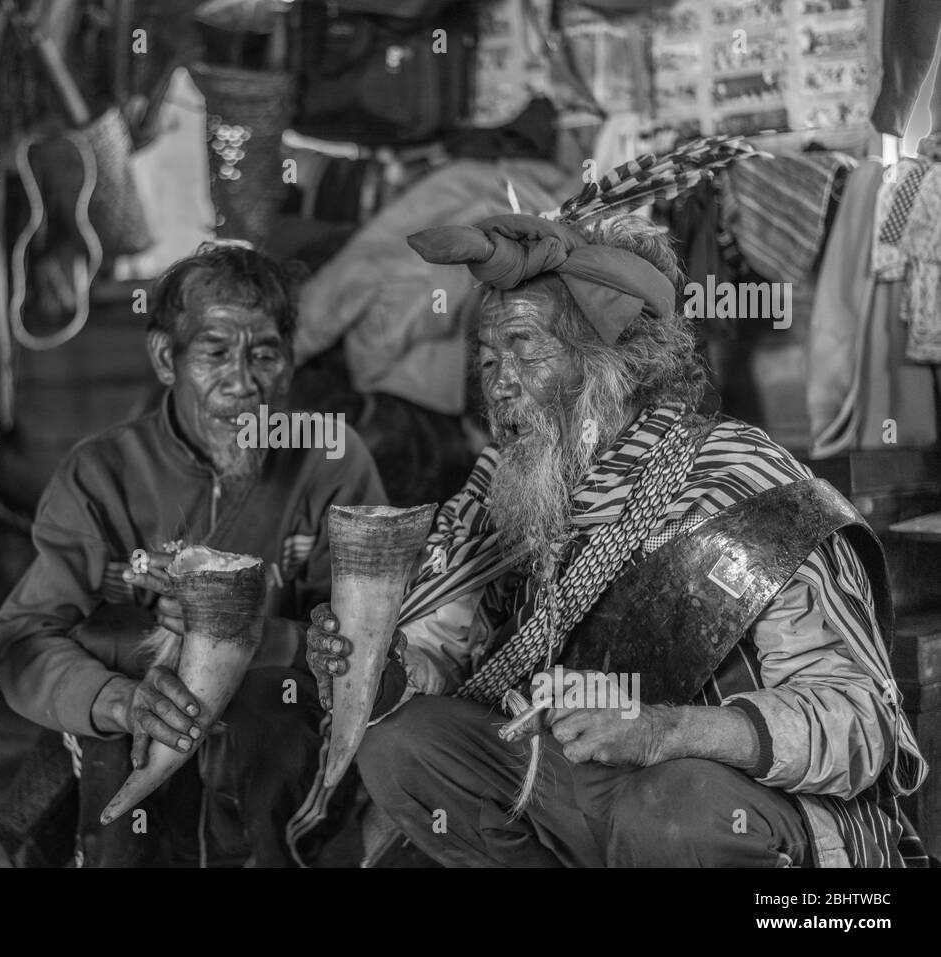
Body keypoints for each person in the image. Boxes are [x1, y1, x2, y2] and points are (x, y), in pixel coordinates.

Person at [307, 211, 929, 868]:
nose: (498, 382)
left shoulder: (741, 485)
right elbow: (443, 652)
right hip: (578, 794)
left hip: (721, 811)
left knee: (668, 808)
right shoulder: (508, 487)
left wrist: (663, 731)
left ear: (611, 368)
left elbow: (861, 723)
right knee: (402, 744)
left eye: (525, 348)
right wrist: (381, 672)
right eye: (488, 358)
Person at [0, 243, 386, 867]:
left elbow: (364, 642)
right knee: (129, 698)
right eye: (213, 352)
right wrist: (114, 699)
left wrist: (257, 638)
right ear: (164, 358)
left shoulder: (331, 460)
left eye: (265, 354)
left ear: (288, 366)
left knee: (269, 713)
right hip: (133, 719)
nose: (242, 382)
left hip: (274, 722)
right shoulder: (102, 474)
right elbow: (26, 642)